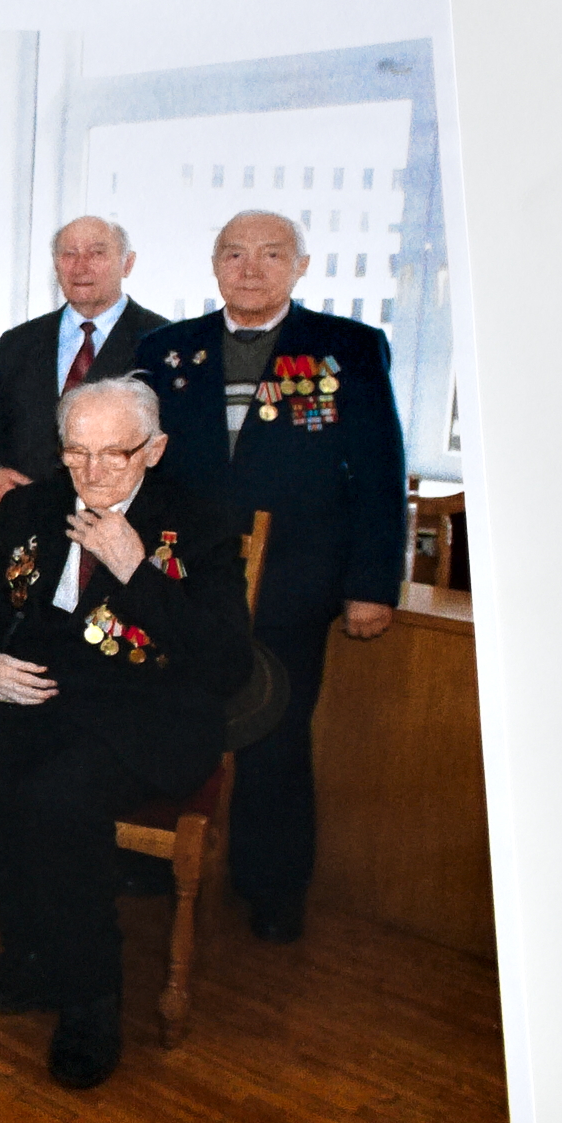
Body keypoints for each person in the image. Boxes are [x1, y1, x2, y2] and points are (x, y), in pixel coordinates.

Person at [0, 375, 250, 1087]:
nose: (92, 471)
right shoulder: (31, 506)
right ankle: (33, 946)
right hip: (42, 696)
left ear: (154, 450)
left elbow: (225, 662)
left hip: (146, 712)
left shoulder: (199, 521)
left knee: (58, 801)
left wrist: (134, 569)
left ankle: (91, 994)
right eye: (76, 452)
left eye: (115, 454)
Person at [136, 209, 408, 944]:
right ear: (214, 264)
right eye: (234, 254)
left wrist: (372, 583)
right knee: (168, 711)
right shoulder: (166, 349)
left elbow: (380, 471)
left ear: (301, 265)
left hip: (295, 578)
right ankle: (154, 862)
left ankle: (273, 886)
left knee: (275, 730)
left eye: (270, 254)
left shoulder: (347, 348)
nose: (250, 268)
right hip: (184, 578)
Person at [0, 217, 169, 502]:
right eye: (69, 254)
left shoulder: (163, 343)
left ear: (128, 263)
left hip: (122, 514)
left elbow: (172, 445)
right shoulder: (18, 342)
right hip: (25, 510)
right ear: (55, 264)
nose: (81, 266)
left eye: (97, 253)